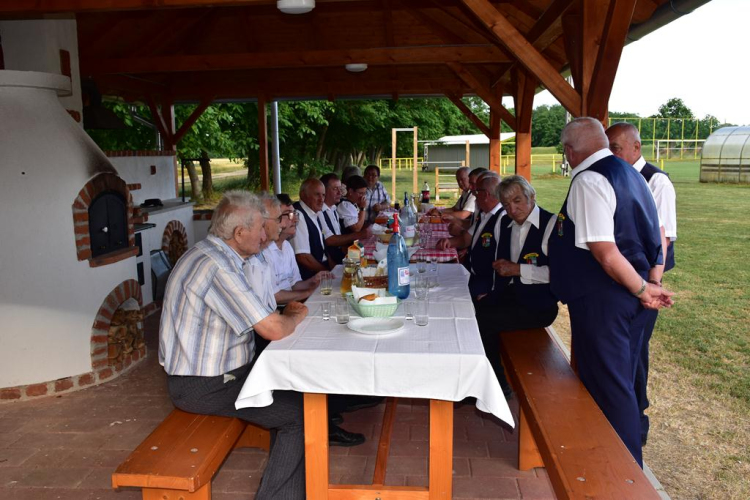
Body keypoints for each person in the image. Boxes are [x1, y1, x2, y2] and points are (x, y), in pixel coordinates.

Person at [159, 190, 308, 499]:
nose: (265, 235)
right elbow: (273, 328)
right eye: (260, 228)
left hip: (218, 376)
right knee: (299, 415)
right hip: (205, 385)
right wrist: (294, 314)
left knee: (296, 387)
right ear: (240, 233)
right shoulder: (219, 267)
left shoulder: (210, 253)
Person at [549, 117, 674, 467]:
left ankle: (624, 471)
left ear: (569, 151)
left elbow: (605, 253)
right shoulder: (633, 173)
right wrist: (649, 281)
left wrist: (642, 289)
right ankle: (604, 458)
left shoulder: (590, 179)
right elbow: (659, 234)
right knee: (617, 380)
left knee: (611, 386)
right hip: (626, 295)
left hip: (605, 299)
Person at [605, 122, 678, 446]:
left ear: (636, 147)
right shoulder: (611, 176)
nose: (611, 155)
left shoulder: (656, 180)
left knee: (632, 354)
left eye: (616, 149)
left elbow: (663, 238)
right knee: (621, 353)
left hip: (645, 284)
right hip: (619, 283)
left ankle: (635, 426)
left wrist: (652, 285)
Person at [473, 175, 559, 396]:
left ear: (532, 197)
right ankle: (480, 378)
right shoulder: (504, 224)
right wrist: (491, 292)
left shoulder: (551, 225)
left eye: (518, 200)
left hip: (539, 305)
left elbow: (560, 275)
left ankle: (497, 385)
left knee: (484, 321)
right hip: (511, 296)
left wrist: (518, 269)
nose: (513, 209)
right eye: (507, 204)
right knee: (473, 310)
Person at [436, 173, 504, 301]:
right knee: (436, 280)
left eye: (477, 192)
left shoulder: (503, 219)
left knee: (445, 295)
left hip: (486, 282)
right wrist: (448, 242)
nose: (474, 194)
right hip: (470, 272)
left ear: (486, 194)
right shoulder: (485, 215)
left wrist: (494, 292)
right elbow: (465, 239)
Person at [262, 194, 321, 305]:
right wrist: (310, 291)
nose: (295, 219)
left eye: (294, 213)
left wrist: (314, 280)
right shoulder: (263, 251)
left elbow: (294, 284)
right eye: (288, 214)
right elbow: (274, 296)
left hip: (291, 305)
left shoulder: (287, 246)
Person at [319, 173, 370, 265]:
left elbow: (339, 236)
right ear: (324, 191)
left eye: (340, 189)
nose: (340, 193)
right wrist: (359, 234)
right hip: (331, 261)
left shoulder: (333, 208)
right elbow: (329, 240)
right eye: (335, 189)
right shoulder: (320, 212)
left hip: (342, 253)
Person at [290, 178, 329, 280]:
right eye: (317, 194)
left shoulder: (314, 212)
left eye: (323, 195)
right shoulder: (298, 215)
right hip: (309, 277)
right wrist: (327, 272)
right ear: (303, 195)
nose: (321, 199)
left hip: (320, 269)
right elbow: (303, 257)